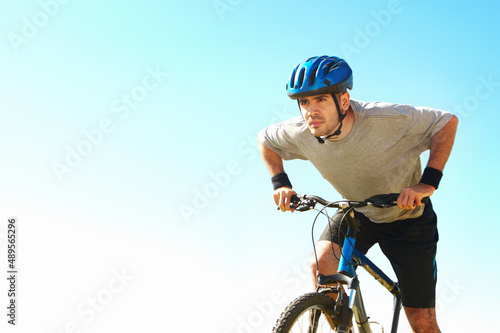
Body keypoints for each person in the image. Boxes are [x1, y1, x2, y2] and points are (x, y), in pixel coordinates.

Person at [257, 55, 458, 333]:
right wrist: (280, 183)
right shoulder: (301, 131)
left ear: (343, 100)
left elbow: (446, 122)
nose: (310, 111)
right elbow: (265, 140)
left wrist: (428, 183)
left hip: (408, 220)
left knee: (421, 321)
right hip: (357, 212)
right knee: (322, 267)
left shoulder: (388, 119)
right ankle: (345, 328)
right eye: (304, 102)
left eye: (320, 100)